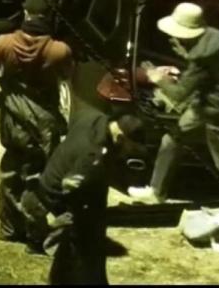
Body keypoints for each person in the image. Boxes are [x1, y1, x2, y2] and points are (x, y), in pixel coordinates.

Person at [0, 0, 72, 246]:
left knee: (10, 173)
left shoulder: (5, 43)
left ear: (26, 13)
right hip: (44, 123)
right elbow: (68, 77)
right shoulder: (59, 50)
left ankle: (9, 229)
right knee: (37, 177)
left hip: (13, 119)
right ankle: (35, 235)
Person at [127, 2, 219, 203]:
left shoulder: (202, 56)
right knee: (171, 140)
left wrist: (157, 77)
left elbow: (178, 94)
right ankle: (156, 193)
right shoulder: (216, 35)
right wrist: (184, 55)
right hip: (202, 104)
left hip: (216, 110)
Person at [20, 108, 145, 285]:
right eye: (132, 147)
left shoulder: (96, 119)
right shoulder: (93, 156)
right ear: (120, 138)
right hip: (57, 198)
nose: (132, 152)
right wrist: (76, 218)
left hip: (53, 180)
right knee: (82, 251)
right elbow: (71, 186)